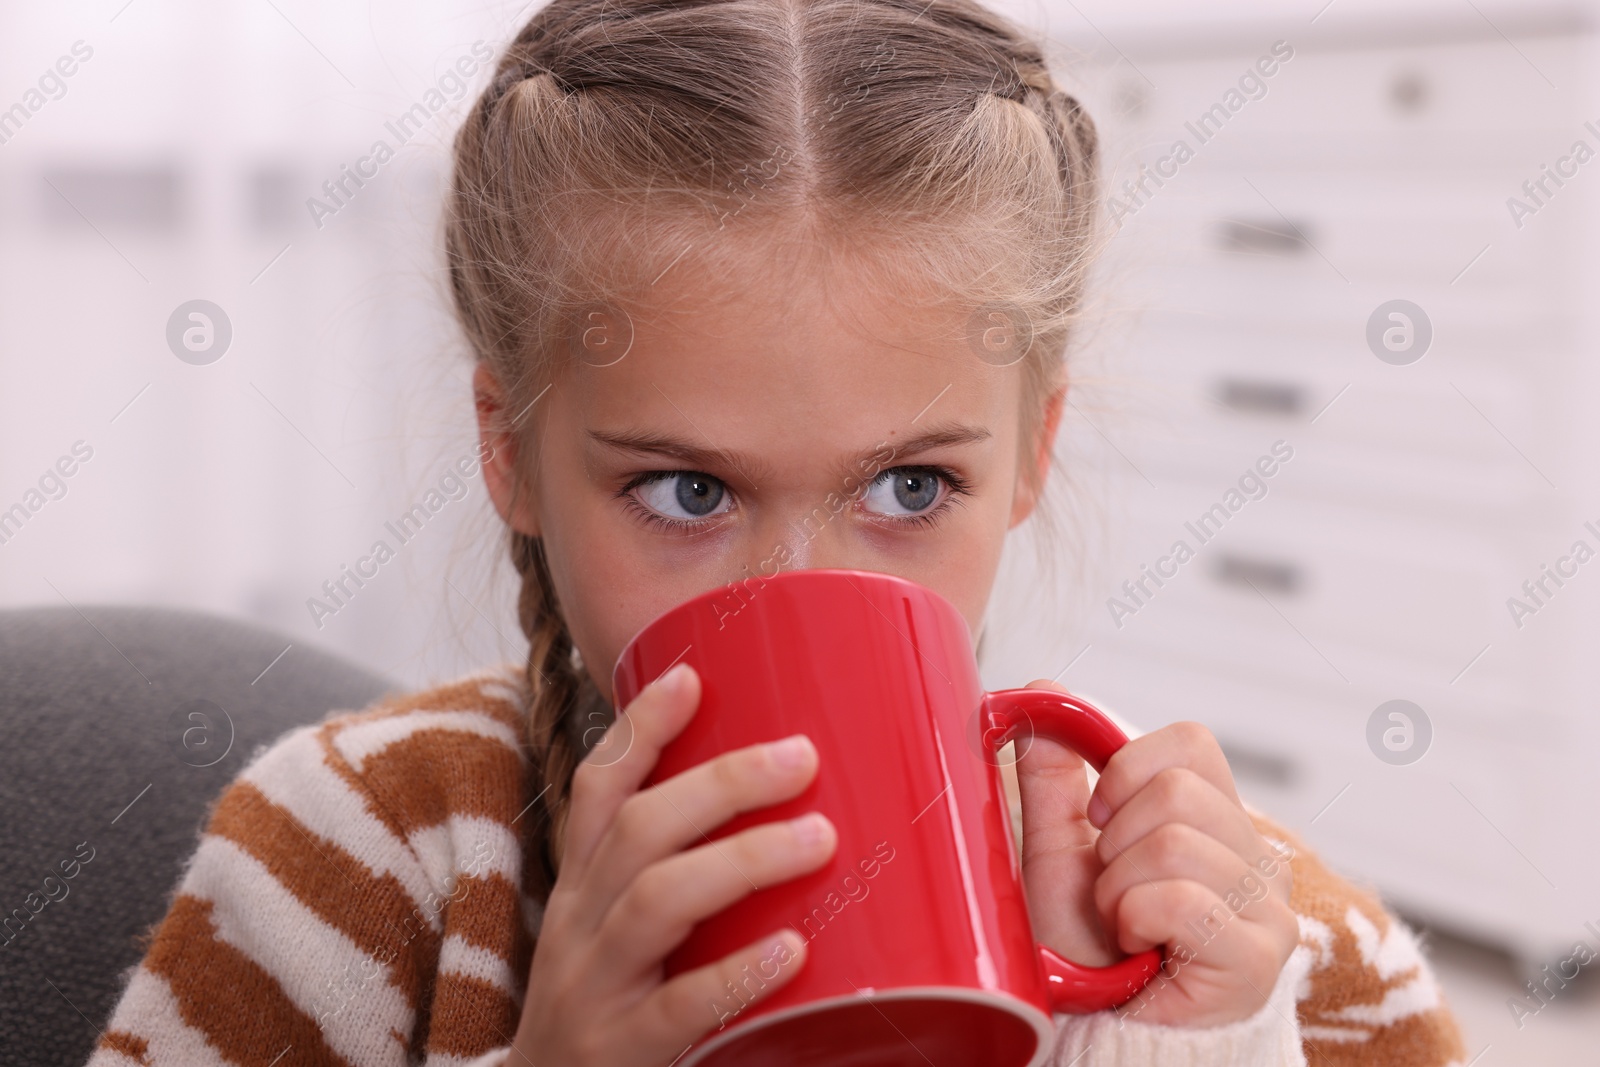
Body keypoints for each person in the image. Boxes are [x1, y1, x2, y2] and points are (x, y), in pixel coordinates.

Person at [86, 0, 1468, 1063]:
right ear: (510, 457)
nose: (798, 589)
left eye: (910, 489)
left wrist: (1165, 1044)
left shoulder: (1269, 948)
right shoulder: (357, 868)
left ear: (1034, 453)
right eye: (687, 493)